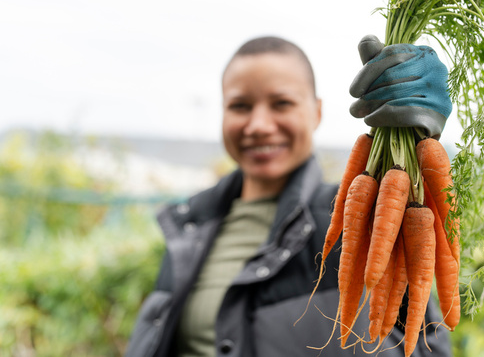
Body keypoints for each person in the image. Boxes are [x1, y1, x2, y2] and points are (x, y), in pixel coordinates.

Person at [126, 35, 454, 357]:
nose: (258, 125)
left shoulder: (358, 222)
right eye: (240, 106)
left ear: (317, 112)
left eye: (281, 103)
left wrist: (417, 138)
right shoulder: (188, 226)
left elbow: (426, 345)